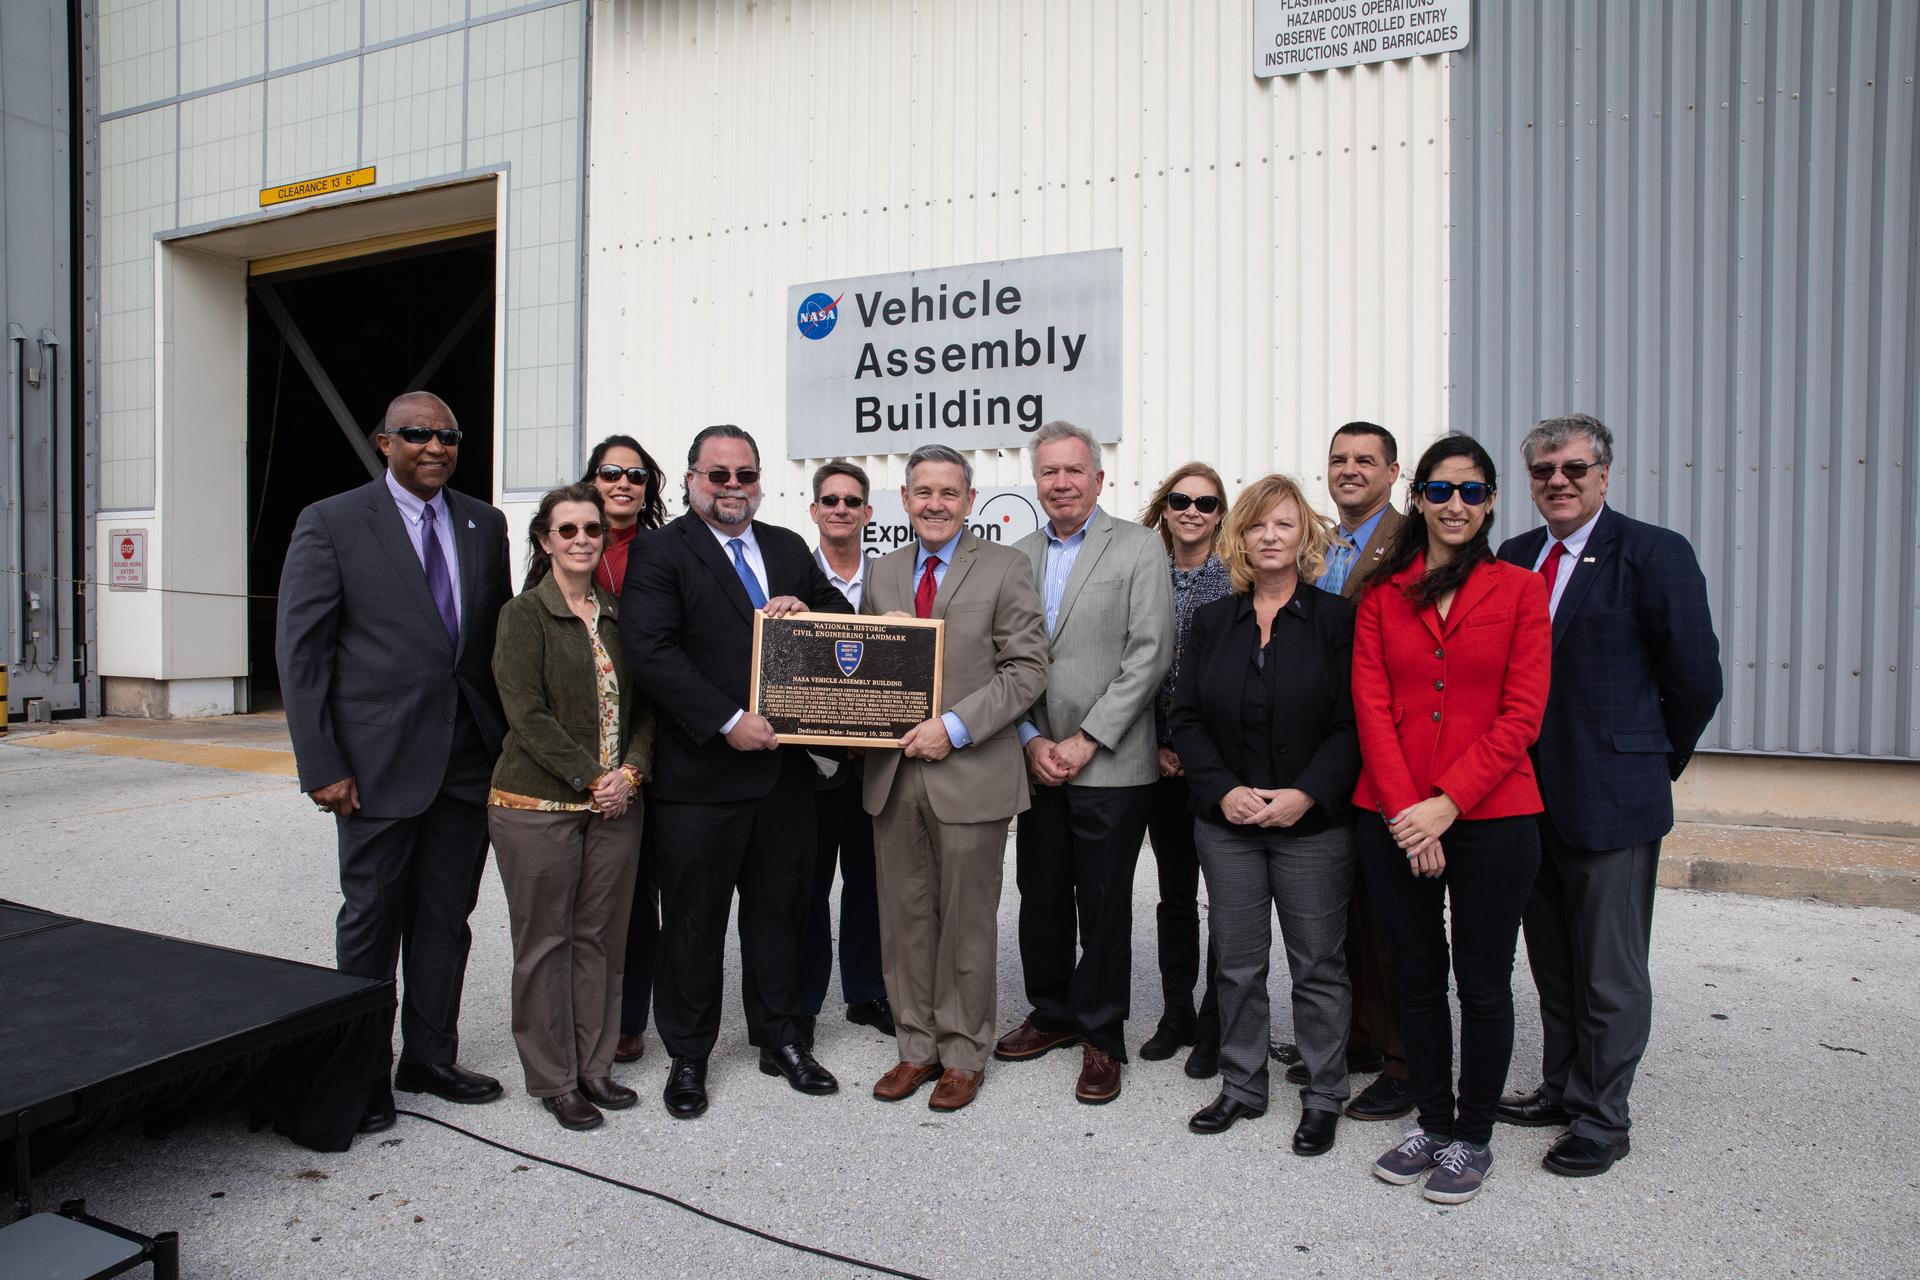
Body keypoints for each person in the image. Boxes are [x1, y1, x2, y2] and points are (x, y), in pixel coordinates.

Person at [276, 391, 512, 1134]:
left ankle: (430, 1059)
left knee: (446, 920)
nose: (435, 447)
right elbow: (302, 653)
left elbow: (490, 646)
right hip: (374, 766)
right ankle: (360, 1074)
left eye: (448, 436)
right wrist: (322, 762)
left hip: (466, 761)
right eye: (417, 435)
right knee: (371, 920)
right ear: (385, 442)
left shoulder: (484, 524)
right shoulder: (333, 522)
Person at [1495, 414, 1722, 1177]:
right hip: (1527, 800)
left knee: (1609, 970)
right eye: (1543, 471)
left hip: (1612, 799)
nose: (1558, 482)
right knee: (1554, 962)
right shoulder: (1515, 556)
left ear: (1604, 474)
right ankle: (1562, 1087)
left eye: (1573, 468)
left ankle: (1602, 1117)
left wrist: (1649, 761)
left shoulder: (1653, 553)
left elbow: (1695, 678)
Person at [619, 424, 853, 1119]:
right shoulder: (661, 551)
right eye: (717, 475)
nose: (731, 487)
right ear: (691, 479)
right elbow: (650, 650)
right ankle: (689, 1055)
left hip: (783, 778)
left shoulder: (786, 547)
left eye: (744, 475)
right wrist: (727, 720)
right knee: (694, 924)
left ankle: (780, 1038)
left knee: (781, 914)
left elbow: (843, 617)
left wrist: (808, 609)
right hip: (700, 780)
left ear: (758, 481)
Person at [1352, 433, 1550, 1204]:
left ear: (1491, 501)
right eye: (1440, 490)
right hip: (1395, 814)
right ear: (1419, 499)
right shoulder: (1382, 596)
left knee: (1484, 981)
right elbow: (1372, 708)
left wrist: (1448, 805)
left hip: (1494, 815)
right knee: (1416, 976)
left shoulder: (1520, 592)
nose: (1455, 504)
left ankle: (1473, 1136)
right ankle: (1433, 1123)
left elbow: (1522, 714)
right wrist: (1410, 814)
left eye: (1471, 491)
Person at [1169, 474, 1361, 1155]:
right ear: (1240, 538)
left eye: (1284, 524)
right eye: (1257, 525)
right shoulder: (1213, 621)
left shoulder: (1337, 620)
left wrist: (1307, 793)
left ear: (1305, 535)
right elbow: (1186, 716)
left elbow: (1353, 724)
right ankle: (1242, 1084)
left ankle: (1324, 1094)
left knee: (1318, 966)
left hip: (1313, 827)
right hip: (1228, 825)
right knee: (1238, 964)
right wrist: (1221, 789)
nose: (1270, 536)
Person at [861, 445, 1050, 1111]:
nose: (935, 504)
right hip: (894, 775)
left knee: (966, 923)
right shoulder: (883, 571)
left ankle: (965, 1053)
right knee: (905, 920)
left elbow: (1028, 668)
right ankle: (916, 1047)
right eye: (923, 492)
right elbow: (861, 668)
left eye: (948, 492)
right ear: (905, 500)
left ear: (970, 501)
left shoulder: (1005, 566)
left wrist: (955, 726)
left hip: (969, 770)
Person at [994, 421, 1173, 1105]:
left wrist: (1087, 739)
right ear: (1035, 481)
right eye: (1049, 472)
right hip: (1036, 757)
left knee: (1102, 905)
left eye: (1073, 470)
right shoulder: (1016, 556)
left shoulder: (1138, 546)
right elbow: (1002, 658)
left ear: (1099, 478)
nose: (1061, 483)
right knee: (1040, 894)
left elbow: (1149, 654)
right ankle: (1053, 1012)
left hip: (1110, 762)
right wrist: (1029, 739)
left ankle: (1102, 1034)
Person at [487, 485, 654, 1131]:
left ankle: (594, 1066)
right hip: (537, 804)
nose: (582, 539)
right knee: (544, 944)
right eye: (568, 530)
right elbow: (526, 714)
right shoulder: (523, 614)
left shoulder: (619, 614)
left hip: (616, 806)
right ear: (545, 540)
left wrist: (631, 773)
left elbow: (645, 708)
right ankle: (554, 1079)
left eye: (592, 529)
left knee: (602, 940)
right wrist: (593, 777)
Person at [1293, 421, 1415, 1123]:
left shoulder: (1411, 542)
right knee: (1338, 914)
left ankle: (1403, 1061)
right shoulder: (1318, 546)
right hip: (1326, 750)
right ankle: (1358, 1039)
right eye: (1338, 458)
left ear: (1392, 472)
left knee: (1387, 918)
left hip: (1385, 752)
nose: (1349, 469)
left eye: (1365, 460)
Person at [1137, 463, 1233, 1079]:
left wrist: (1197, 753)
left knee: (1227, 900)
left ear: (1221, 514)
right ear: (1164, 508)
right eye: (1180, 500)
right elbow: (1130, 660)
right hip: (1156, 760)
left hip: (1216, 766)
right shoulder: (1145, 571)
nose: (1192, 511)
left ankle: (1217, 1022)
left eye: (1206, 502)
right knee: (1175, 896)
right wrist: (1153, 742)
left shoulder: (1238, 577)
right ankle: (1177, 1013)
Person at [579, 435, 669, 1068]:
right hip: (589, 748)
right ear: (592, 479)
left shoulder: (663, 551)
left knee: (642, 893)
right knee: (594, 894)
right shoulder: (566, 547)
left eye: (635, 475)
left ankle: (630, 1018)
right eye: (611, 472)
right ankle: (584, 1009)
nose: (622, 483)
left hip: (656, 737)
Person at [800, 460, 894, 1042]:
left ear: (867, 512)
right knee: (807, 888)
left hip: (875, 766)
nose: (841, 509)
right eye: (830, 500)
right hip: (810, 766)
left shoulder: (890, 580)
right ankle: (804, 1003)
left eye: (851, 501)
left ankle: (867, 992)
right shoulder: (792, 577)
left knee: (871, 883)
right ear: (814, 510)